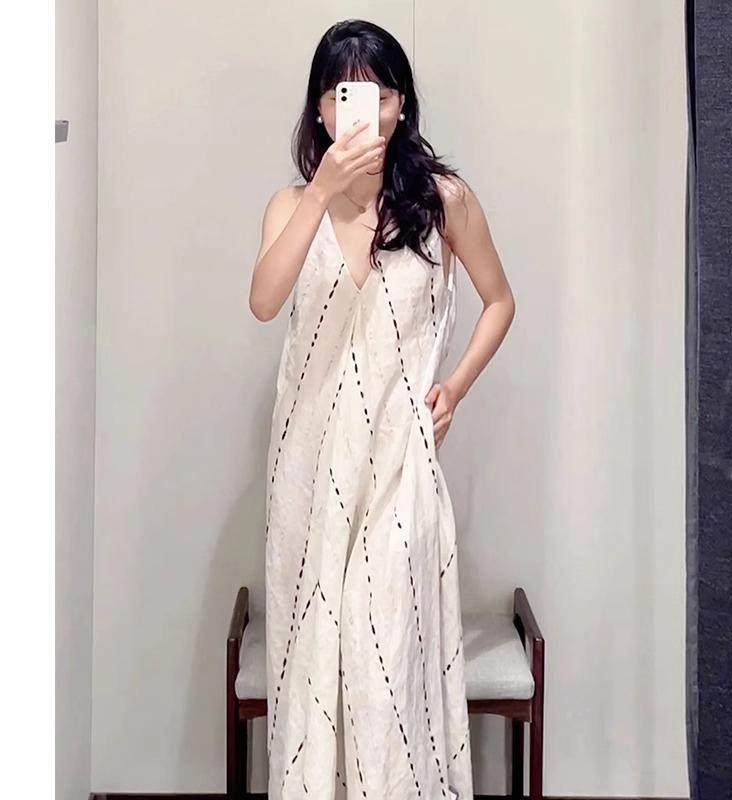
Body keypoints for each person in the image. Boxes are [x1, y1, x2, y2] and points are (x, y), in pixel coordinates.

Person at [249, 19, 515, 800]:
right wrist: (323, 192)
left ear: (401, 105)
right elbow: (264, 301)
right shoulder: (290, 205)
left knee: (384, 658)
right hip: (308, 466)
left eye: (379, 93)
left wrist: (452, 389)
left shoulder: (443, 201)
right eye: (343, 93)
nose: (362, 109)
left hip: (401, 462)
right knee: (312, 656)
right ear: (320, 107)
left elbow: (500, 300)